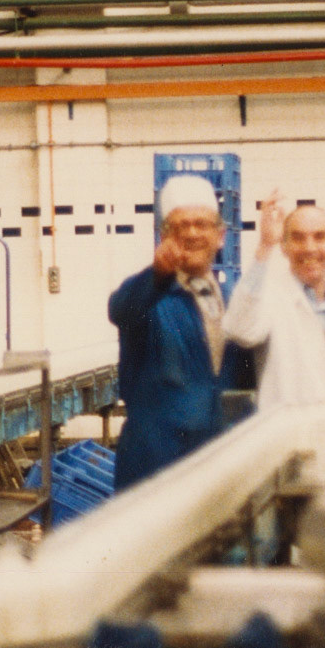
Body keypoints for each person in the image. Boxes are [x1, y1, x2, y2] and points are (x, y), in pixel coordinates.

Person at [107, 174, 252, 491]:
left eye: (202, 224)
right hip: (154, 471)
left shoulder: (233, 304)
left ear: (220, 236)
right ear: (163, 237)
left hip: (218, 468)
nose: (192, 233)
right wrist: (158, 274)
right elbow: (120, 308)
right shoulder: (150, 298)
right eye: (180, 226)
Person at [222, 191, 325, 413]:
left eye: (320, 237)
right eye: (298, 238)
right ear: (284, 247)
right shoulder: (270, 299)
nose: (309, 248)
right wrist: (265, 246)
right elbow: (240, 330)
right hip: (289, 430)